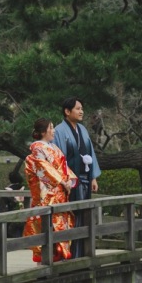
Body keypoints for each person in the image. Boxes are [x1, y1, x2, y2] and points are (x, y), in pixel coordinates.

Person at [52, 97, 102, 258]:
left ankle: (81, 253)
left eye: (82, 108)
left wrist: (93, 177)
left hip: (85, 179)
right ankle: (69, 254)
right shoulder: (59, 131)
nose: (81, 111)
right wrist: (65, 179)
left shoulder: (83, 129)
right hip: (70, 182)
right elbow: (59, 158)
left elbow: (90, 153)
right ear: (67, 111)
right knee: (71, 215)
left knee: (84, 215)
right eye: (78, 108)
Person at [23, 118, 78, 263]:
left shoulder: (54, 148)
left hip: (60, 193)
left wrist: (68, 181)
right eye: (51, 128)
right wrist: (60, 181)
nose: (53, 131)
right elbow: (43, 169)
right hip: (47, 194)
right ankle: (46, 261)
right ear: (43, 132)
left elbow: (63, 167)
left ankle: (58, 257)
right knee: (47, 226)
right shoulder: (37, 148)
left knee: (60, 225)